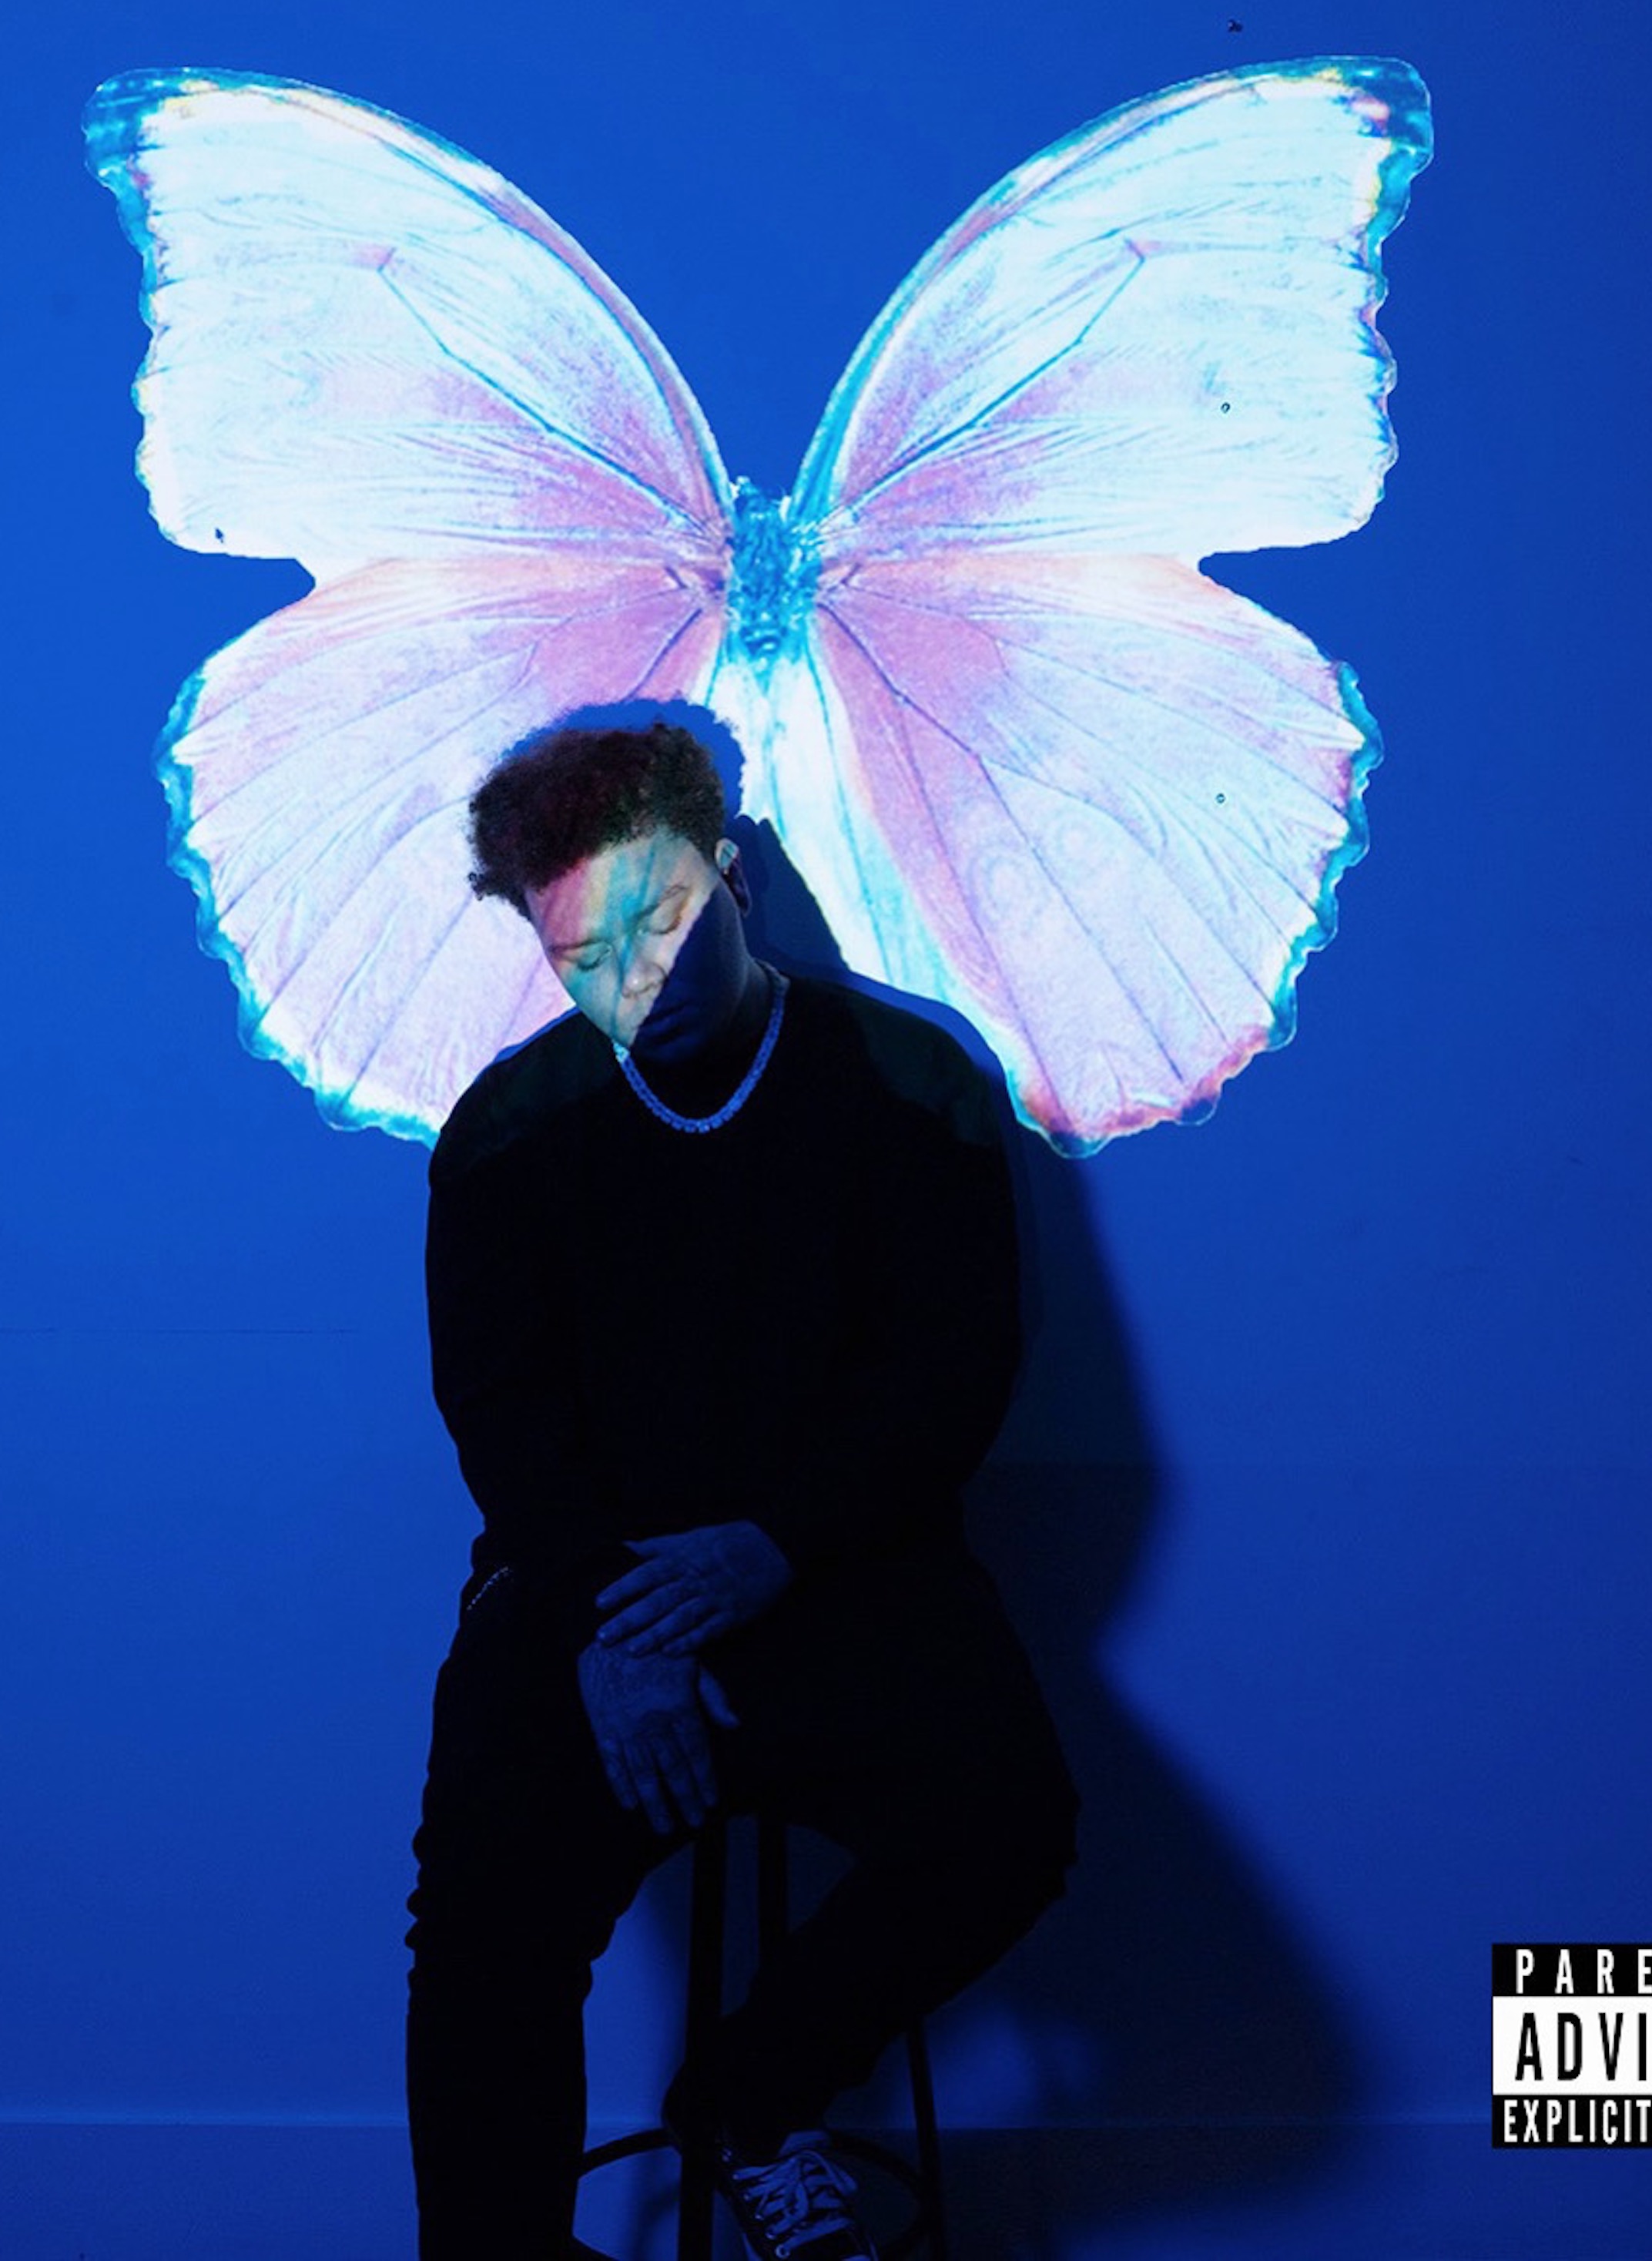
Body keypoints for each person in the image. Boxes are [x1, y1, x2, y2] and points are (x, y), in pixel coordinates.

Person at [405, 709, 1078, 2261]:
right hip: (593, 1586)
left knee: (1010, 1824)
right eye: (585, 955)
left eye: (661, 921)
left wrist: (780, 1544)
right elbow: (503, 1420)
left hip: (846, 1565)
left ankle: (754, 2096)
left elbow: (952, 1373)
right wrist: (618, 1627)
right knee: (481, 1924)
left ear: (735, 877)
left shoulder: (908, 1080)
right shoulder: (507, 1133)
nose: (634, 978)